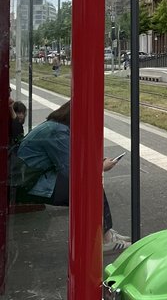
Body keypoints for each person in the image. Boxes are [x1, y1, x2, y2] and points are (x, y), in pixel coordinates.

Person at [14, 101, 128, 253]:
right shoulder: (56, 132)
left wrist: (95, 163)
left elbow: (73, 159)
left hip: (34, 178)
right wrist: (100, 167)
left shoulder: (56, 126)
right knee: (91, 188)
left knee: (92, 186)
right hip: (32, 184)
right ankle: (105, 239)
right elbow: (71, 170)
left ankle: (105, 232)